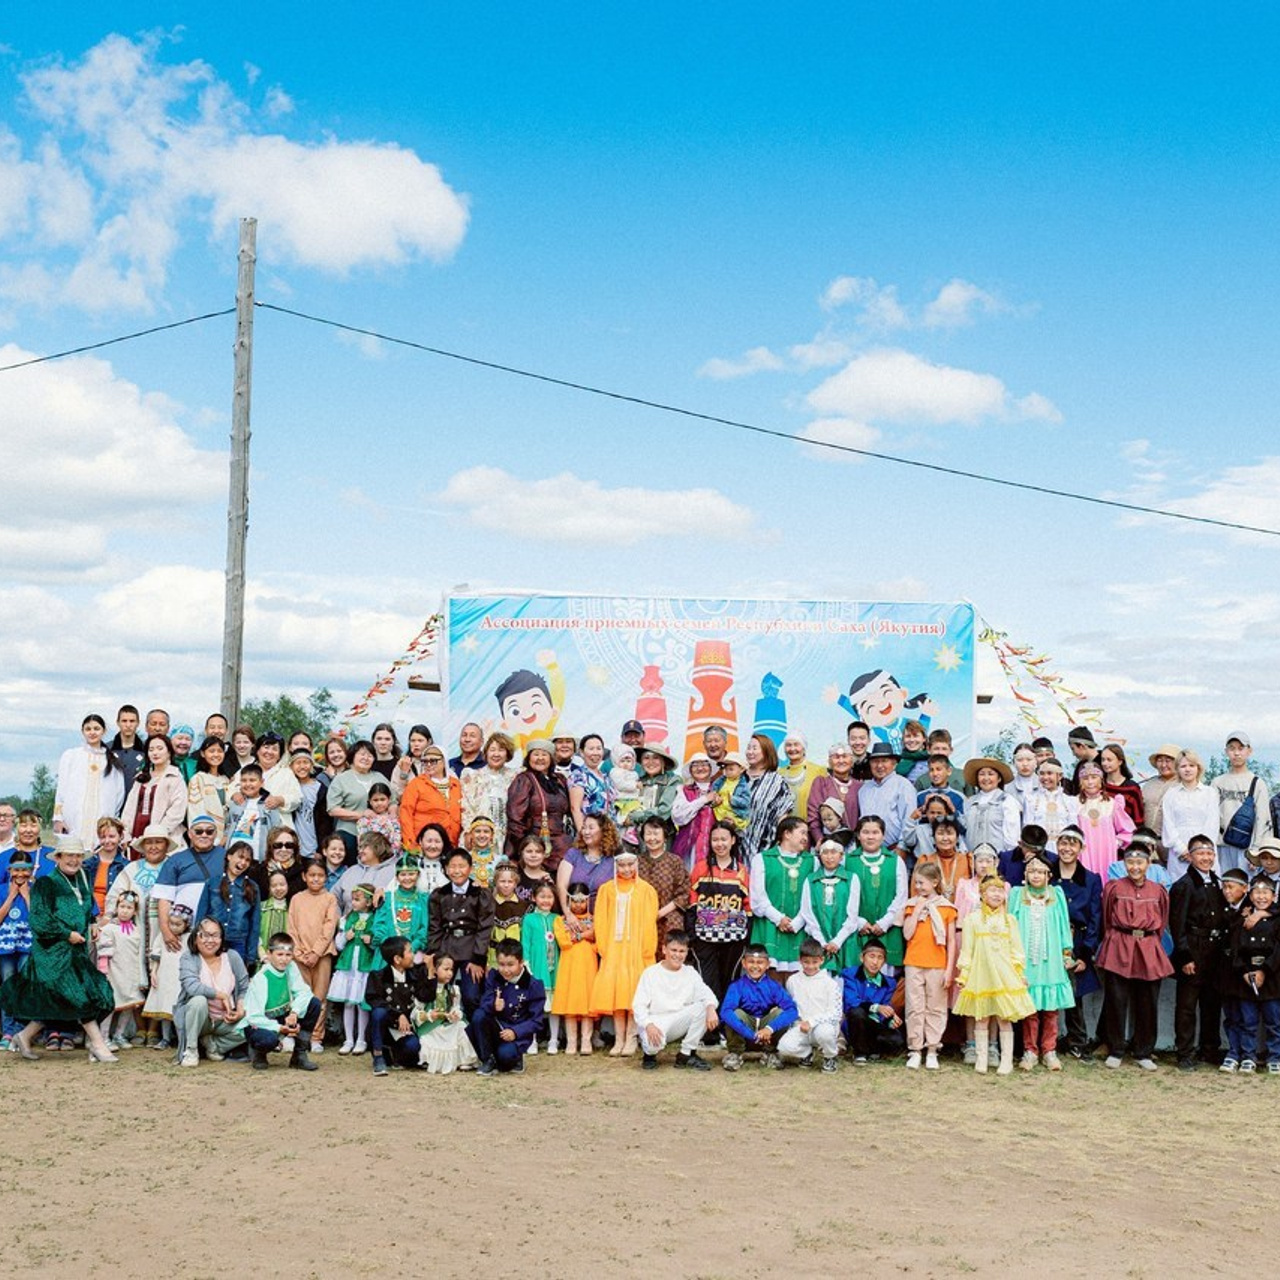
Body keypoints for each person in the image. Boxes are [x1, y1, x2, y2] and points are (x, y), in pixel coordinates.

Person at [1, 837, 119, 1063]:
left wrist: (92, 924)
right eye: (69, 856)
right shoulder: (47, 883)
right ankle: (98, 1044)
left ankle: (23, 1036)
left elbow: (86, 908)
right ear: (58, 858)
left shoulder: (83, 879)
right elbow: (39, 920)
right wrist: (67, 934)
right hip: (52, 952)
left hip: (77, 950)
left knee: (55, 1000)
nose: (74, 860)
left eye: (78, 856)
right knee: (79, 994)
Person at [1096, 843, 1173, 1071]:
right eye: (1130, 862)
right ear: (1124, 863)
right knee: (1116, 999)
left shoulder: (1158, 891)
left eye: (1140, 862)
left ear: (1148, 864)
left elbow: (1163, 923)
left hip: (1148, 945)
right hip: (1120, 943)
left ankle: (1144, 1051)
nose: (1135, 867)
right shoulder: (1114, 887)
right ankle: (1116, 1049)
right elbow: (1107, 919)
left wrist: (1150, 942)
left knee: (1148, 1000)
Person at [953, 875, 1035, 1074]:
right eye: (992, 890)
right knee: (981, 1017)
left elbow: (1016, 948)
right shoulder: (972, 920)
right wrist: (964, 974)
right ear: (982, 894)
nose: (997, 895)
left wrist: (1018, 971)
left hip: (1004, 973)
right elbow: (967, 950)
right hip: (982, 973)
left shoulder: (1009, 920)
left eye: (1000, 891)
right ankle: (981, 1057)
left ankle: (1005, 1060)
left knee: (1004, 1017)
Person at [1007, 850, 1075, 1071]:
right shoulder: (1017, 894)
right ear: (1025, 874)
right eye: (1032, 871)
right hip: (1026, 960)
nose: (1036, 875)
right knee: (1030, 1008)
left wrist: (1067, 952)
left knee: (1051, 1008)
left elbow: (1064, 925)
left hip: (1051, 958)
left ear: (1049, 875)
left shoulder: (1056, 894)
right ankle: (1029, 1051)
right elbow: (1010, 925)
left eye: (1040, 871)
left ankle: (1049, 1050)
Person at [589, 848, 658, 1057]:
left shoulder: (646, 890)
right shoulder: (607, 889)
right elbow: (599, 919)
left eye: (630, 864)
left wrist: (647, 948)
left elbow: (650, 921)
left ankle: (631, 1037)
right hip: (615, 949)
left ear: (636, 865)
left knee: (634, 994)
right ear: (616, 866)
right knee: (617, 993)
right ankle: (618, 1038)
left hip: (636, 949)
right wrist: (603, 946)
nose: (626, 869)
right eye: (622, 865)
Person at [1169, 834, 1227, 1071]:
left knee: (1211, 1003)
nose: (1206, 858)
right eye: (1201, 853)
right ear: (1190, 856)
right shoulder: (1184, 885)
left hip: (1214, 951)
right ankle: (1184, 1053)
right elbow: (1177, 923)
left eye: (1209, 853)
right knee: (1186, 1006)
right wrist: (1185, 956)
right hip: (1193, 948)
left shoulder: (1216, 881)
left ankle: (1209, 1049)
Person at [688, 820, 751, 1018]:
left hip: (733, 939)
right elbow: (692, 904)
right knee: (707, 980)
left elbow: (747, 906)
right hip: (704, 937)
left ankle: (727, 1026)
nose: (719, 844)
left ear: (733, 840)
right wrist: (693, 936)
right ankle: (709, 1030)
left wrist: (744, 939)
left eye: (724, 839)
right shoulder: (700, 868)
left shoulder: (742, 871)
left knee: (729, 980)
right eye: (715, 839)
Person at [633, 929, 719, 1070]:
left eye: (682, 951)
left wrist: (710, 1009)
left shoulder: (690, 972)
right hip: (656, 1021)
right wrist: (648, 1025)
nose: (677, 955)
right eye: (673, 950)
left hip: (679, 1019)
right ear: (664, 949)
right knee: (654, 1044)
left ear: (686, 952)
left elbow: (707, 994)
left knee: (704, 1006)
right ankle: (649, 1055)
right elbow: (638, 1005)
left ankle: (686, 1055)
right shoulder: (651, 973)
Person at [1052, 825, 1103, 1060]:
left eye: (1073, 844)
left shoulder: (1091, 879)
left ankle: (1077, 1041)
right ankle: (1046, 1042)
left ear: (1081, 848)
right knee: (1045, 990)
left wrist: (1085, 954)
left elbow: (1095, 918)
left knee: (1075, 995)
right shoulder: (1046, 873)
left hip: (1077, 940)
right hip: (1049, 939)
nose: (1067, 848)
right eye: (1063, 842)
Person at [425, 848, 494, 1018]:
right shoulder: (439, 894)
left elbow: (485, 927)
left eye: (462, 866)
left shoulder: (481, 894)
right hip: (446, 946)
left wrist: (478, 958)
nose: (457, 871)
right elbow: (435, 926)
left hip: (471, 949)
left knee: (471, 995)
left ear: (470, 868)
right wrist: (433, 954)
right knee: (440, 990)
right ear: (446, 869)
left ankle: (474, 1033)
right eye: (452, 867)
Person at [901, 863, 957, 1070]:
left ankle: (932, 1048)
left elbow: (951, 941)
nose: (918, 887)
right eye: (916, 882)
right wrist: (917, 910)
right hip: (914, 962)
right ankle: (915, 1049)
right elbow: (907, 934)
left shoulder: (946, 908)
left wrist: (949, 969)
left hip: (937, 964)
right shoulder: (910, 905)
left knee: (936, 1007)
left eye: (922, 883)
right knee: (915, 1006)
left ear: (935, 882)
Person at [238, 932, 321, 1070]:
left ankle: (299, 1055)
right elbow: (253, 1017)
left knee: (314, 1004)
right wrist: (279, 1028)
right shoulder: (261, 978)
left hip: (282, 1016)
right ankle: (259, 1053)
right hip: (260, 1022)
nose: (284, 959)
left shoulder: (291, 967)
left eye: (288, 955)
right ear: (269, 955)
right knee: (268, 1039)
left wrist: (294, 1013)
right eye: (279, 954)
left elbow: (304, 992)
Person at [173, 917, 249, 1067]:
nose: (210, 940)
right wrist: (221, 995)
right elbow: (192, 987)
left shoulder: (232, 956)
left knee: (254, 1022)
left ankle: (214, 1046)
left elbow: (244, 986)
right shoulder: (189, 957)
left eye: (215, 935)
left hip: (225, 1019)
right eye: (205, 935)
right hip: (199, 1020)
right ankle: (191, 1049)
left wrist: (240, 1010)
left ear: (221, 938)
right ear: (195, 938)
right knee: (198, 1000)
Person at [473, 938, 547, 1077]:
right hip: (497, 1027)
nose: (505, 970)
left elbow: (537, 1021)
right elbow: (485, 1002)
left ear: (521, 962)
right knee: (479, 1015)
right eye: (501, 964)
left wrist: (515, 1032)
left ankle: (515, 1059)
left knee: (505, 1057)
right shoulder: (494, 977)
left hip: (516, 1035)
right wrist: (493, 1005)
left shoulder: (534, 985)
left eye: (510, 965)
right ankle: (487, 1059)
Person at [719, 942, 798, 1071]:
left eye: (760, 962)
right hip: (745, 1033)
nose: (755, 966)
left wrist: (769, 1028)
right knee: (735, 1013)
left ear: (767, 965)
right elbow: (725, 1012)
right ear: (744, 963)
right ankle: (735, 1053)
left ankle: (770, 1053)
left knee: (780, 1012)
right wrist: (750, 1034)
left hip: (767, 1035)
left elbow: (792, 1010)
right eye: (751, 962)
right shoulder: (737, 986)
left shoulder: (774, 986)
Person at [287, 860, 338, 1055]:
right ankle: (295, 1034)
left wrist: (316, 952)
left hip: (322, 955)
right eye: (312, 875)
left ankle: (316, 1037)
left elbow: (329, 927)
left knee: (320, 997)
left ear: (326, 877)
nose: (316, 879)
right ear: (304, 877)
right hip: (299, 956)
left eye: (320, 875)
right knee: (299, 996)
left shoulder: (330, 899)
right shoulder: (296, 899)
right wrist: (299, 952)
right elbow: (291, 928)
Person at [748, 816, 810, 973]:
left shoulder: (813, 861)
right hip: (769, 927)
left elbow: (813, 898)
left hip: (799, 928)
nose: (805, 838)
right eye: (802, 833)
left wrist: (798, 921)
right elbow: (757, 897)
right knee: (768, 977)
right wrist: (778, 918)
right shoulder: (762, 859)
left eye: (807, 834)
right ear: (787, 834)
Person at [365, 935, 434, 1076]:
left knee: (413, 1047)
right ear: (397, 959)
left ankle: (395, 1057)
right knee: (378, 1012)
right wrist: (397, 1015)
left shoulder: (414, 974)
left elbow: (426, 996)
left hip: (404, 1030)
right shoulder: (378, 976)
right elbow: (374, 999)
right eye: (409, 952)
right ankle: (378, 1057)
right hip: (384, 1027)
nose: (413, 955)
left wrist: (431, 971)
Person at [53, 714, 126, 842]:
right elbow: (61, 790)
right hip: (74, 820)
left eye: (96, 729)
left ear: (104, 731)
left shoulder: (113, 761)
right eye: (88, 729)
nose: (92, 732)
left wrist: (111, 820)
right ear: (82, 731)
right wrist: (58, 818)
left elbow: (119, 795)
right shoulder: (71, 756)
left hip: (102, 822)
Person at [849, 815, 908, 972]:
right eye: (865, 832)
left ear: (883, 835)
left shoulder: (895, 861)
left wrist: (885, 922)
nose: (870, 836)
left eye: (875, 832)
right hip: (858, 929)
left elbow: (902, 895)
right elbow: (843, 896)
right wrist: (858, 921)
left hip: (887, 929)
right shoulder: (848, 861)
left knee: (885, 978)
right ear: (858, 835)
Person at [777, 938, 843, 1072]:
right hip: (802, 1027)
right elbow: (792, 1006)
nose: (810, 966)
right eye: (806, 962)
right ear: (800, 960)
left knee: (824, 1033)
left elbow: (836, 1013)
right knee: (784, 1047)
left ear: (822, 960)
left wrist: (812, 1022)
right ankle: (807, 1053)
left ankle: (830, 1056)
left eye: (814, 962)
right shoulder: (793, 980)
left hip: (823, 1026)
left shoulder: (830, 983)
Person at [505, 739, 572, 869]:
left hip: (561, 844)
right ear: (529, 758)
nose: (540, 758)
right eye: (536, 754)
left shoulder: (560, 780)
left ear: (551, 758)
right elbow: (515, 818)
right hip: (536, 844)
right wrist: (527, 847)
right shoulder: (524, 780)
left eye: (544, 754)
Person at [327, 884, 378, 1054]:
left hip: (364, 968)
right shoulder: (347, 919)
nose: (353, 903)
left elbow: (377, 944)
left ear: (369, 902)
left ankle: (361, 1039)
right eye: (353, 900)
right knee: (349, 1003)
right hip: (349, 967)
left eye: (357, 900)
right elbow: (339, 945)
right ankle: (348, 1039)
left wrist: (370, 941)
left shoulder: (375, 919)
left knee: (362, 1004)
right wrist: (345, 937)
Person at [799, 837, 862, 972]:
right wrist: (822, 942)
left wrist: (837, 942)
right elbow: (807, 912)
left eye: (834, 852)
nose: (829, 857)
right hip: (818, 940)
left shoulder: (851, 878)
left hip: (845, 941)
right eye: (825, 852)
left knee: (845, 983)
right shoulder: (811, 880)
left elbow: (852, 914)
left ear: (841, 855)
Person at [194, 841, 260, 970]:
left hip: (238, 943)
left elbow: (255, 924)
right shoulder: (212, 883)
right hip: (212, 941)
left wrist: (251, 956)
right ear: (229, 856)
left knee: (234, 983)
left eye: (247, 860)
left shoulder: (252, 887)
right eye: (240, 857)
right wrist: (197, 943)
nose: (243, 862)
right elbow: (201, 916)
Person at [1214, 732, 1272, 876]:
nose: (1236, 753)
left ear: (1249, 751)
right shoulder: (1217, 782)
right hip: (1222, 845)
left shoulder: (1257, 783)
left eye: (1241, 748)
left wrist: (1256, 851)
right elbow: (1211, 815)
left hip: (1246, 848)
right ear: (1226, 752)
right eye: (1232, 748)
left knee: (1246, 888)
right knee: (1224, 887)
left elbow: (1262, 819)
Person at [839, 937, 904, 1062]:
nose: (875, 962)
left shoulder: (889, 983)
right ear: (862, 958)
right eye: (872, 956)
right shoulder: (851, 974)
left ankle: (872, 1049)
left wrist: (890, 1019)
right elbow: (851, 1003)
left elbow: (886, 1007)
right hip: (855, 1024)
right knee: (857, 1012)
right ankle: (860, 1053)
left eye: (880, 958)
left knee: (898, 1041)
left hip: (874, 1025)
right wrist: (877, 1008)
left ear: (884, 961)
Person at [552, 882, 599, 1055]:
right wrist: (585, 934)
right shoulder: (560, 920)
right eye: (574, 901)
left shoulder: (595, 918)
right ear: (568, 901)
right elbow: (564, 942)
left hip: (588, 964)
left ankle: (586, 1041)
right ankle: (571, 1042)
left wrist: (578, 934)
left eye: (582, 901)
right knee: (569, 1004)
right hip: (569, 966)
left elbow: (598, 938)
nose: (578, 905)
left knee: (587, 1005)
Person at [1160, 750, 1221, 880]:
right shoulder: (1171, 794)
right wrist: (1182, 850)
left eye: (1191, 766)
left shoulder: (1209, 793)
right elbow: (1168, 825)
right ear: (1177, 769)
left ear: (1198, 768)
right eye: (1183, 766)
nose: (1187, 770)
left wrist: (1199, 851)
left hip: (1205, 850)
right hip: (1179, 852)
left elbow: (1212, 824)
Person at [416, 953, 480, 1073]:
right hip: (432, 1027)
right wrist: (429, 1016)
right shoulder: (425, 987)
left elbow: (456, 1007)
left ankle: (465, 1060)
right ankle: (429, 1060)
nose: (450, 973)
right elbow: (418, 1010)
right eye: (446, 969)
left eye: (452, 969)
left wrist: (454, 1014)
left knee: (462, 1027)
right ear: (434, 969)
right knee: (429, 1038)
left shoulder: (453, 990)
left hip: (447, 1025)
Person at [121, 735, 188, 844]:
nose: (155, 753)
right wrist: (125, 833)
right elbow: (129, 808)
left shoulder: (175, 777)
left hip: (163, 833)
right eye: (151, 750)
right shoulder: (141, 777)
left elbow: (177, 811)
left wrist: (158, 832)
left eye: (160, 749)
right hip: (136, 830)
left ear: (169, 752)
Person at [637, 816, 690, 953]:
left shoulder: (675, 861)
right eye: (648, 833)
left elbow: (684, 894)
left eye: (656, 833)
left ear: (665, 837)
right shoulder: (636, 862)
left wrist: (659, 914)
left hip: (668, 916)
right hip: (640, 916)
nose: (652, 838)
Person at [460, 732, 519, 853]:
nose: (496, 754)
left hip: (505, 838)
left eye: (501, 750)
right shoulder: (472, 775)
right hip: (478, 836)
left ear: (507, 753)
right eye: (492, 750)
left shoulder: (516, 776)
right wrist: (468, 831)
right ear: (486, 753)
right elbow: (465, 807)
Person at [326, 740, 384, 859]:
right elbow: (332, 809)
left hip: (377, 834)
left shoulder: (379, 777)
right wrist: (361, 815)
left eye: (370, 755)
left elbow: (393, 801)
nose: (366, 758)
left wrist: (390, 818)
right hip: (349, 833)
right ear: (352, 756)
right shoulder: (341, 779)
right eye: (362, 754)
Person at [1075, 763, 1136, 876]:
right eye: (1085, 778)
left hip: (1106, 852)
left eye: (1094, 777)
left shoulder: (1111, 804)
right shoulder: (1074, 804)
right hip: (1083, 852)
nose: (1090, 782)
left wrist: (1116, 842)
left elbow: (1128, 830)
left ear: (1101, 780)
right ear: (1080, 782)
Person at [520, 881, 560, 1054]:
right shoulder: (529, 919)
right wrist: (526, 963)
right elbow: (525, 942)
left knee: (555, 1004)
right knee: (535, 1005)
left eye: (549, 897)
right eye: (542, 896)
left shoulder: (557, 919)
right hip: (536, 965)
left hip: (555, 966)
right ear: (534, 898)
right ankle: (533, 1039)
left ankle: (554, 1039)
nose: (546, 900)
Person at [0, 851, 35, 1049]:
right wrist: (11, 896)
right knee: (8, 983)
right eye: (16, 870)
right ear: (9, 870)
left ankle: (23, 1029)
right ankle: (8, 1029)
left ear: (31, 871)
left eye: (25, 870)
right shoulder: (2, 889)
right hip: (5, 947)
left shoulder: (36, 890)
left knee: (25, 984)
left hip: (27, 946)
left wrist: (27, 896)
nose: (20, 874)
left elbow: (39, 919)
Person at [741, 734, 794, 861]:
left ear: (766, 751)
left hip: (765, 848)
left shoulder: (777, 782)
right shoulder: (737, 778)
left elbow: (782, 818)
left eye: (754, 748)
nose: (750, 752)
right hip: (736, 849)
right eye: (748, 748)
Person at [400, 744, 462, 851]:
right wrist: (410, 843)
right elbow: (405, 813)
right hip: (424, 844)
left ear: (444, 761)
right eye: (425, 761)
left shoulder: (456, 784)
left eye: (433, 761)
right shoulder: (416, 784)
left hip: (452, 844)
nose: (428, 764)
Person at [857, 743, 918, 851]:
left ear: (894, 764)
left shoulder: (903, 785)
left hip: (895, 850)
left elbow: (909, 819)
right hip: (867, 851)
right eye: (875, 761)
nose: (880, 766)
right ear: (870, 764)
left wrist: (902, 848)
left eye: (884, 761)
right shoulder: (863, 790)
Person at [556, 814, 620, 916]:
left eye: (591, 828)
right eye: (584, 827)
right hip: (574, 918)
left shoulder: (613, 860)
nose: (586, 832)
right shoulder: (573, 854)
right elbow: (561, 886)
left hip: (602, 917)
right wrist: (568, 914)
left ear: (604, 831)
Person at [373, 856, 431, 963]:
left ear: (418, 875)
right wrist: (391, 947)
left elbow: (424, 928)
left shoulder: (423, 899)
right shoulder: (387, 898)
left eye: (411, 874)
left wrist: (411, 949)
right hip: (386, 955)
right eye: (403, 874)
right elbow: (379, 925)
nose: (407, 878)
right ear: (397, 877)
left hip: (412, 955)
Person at [806, 745, 861, 850]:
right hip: (826, 843)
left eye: (845, 756)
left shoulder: (859, 786)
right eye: (836, 757)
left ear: (852, 760)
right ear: (830, 762)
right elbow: (813, 815)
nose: (841, 760)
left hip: (852, 844)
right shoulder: (821, 782)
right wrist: (820, 840)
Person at [671, 752, 721, 869]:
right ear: (690, 770)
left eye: (704, 764)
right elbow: (678, 817)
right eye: (695, 765)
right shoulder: (683, 790)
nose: (700, 768)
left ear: (710, 768)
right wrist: (703, 800)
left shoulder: (720, 788)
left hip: (715, 846)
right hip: (688, 847)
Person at [962, 757, 1021, 853]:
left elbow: (1012, 836)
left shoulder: (1007, 801)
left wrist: (1008, 856)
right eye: (981, 774)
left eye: (991, 774)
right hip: (972, 858)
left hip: (998, 858)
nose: (986, 778)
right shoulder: (969, 802)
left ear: (999, 778)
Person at [226, 765, 282, 865]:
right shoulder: (236, 802)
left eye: (252, 780)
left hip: (257, 857)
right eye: (244, 780)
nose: (248, 784)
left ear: (261, 782)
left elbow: (275, 830)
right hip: (233, 855)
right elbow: (229, 825)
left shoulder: (269, 803)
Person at [186, 737, 233, 843]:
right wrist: (212, 838)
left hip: (226, 839)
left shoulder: (225, 779)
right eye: (211, 751)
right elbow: (195, 813)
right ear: (203, 753)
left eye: (220, 751)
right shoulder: (197, 779)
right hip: (206, 838)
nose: (216, 754)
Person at [568, 733, 617, 832]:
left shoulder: (606, 777)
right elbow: (575, 808)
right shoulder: (578, 776)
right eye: (591, 749)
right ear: (582, 752)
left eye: (599, 749)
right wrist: (583, 835)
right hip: (591, 833)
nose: (595, 753)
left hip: (610, 833)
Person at [779, 733, 826, 821]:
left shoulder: (818, 771)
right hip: (785, 828)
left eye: (796, 745)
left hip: (811, 828)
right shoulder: (779, 773)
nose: (792, 749)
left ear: (804, 748)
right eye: (788, 745)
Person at [1140, 744, 1181, 840]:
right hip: (1148, 839)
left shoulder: (1182, 785)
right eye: (1160, 761)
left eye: (1168, 761)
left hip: (1173, 840)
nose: (1163, 765)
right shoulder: (1148, 784)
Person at [389, 724, 435, 799]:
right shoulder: (402, 763)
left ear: (429, 742)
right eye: (412, 741)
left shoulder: (437, 763)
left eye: (420, 741)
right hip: (409, 807)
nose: (416, 744)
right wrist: (404, 773)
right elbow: (395, 794)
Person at [108, 705, 146, 796]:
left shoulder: (147, 751)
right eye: (124, 721)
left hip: (137, 804)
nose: (128, 725)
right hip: (111, 803)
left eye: (132, 721)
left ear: (138, 723)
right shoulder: (107, 750)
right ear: (118, 723)